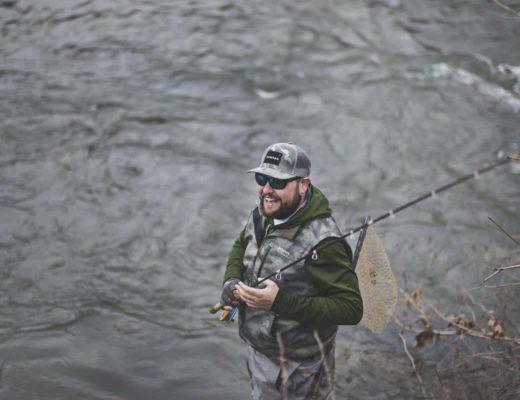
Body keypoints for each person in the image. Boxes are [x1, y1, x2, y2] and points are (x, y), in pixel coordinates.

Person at [221, 142, 363, 400]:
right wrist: (231, 280)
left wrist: (279, 302)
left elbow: (351, 308)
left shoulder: (325, 243)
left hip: (299, 368)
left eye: (277, 182)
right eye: (261, 178)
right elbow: (241, 243)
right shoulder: (265, 210)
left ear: (303, 184)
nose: (266, 189)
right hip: (261, 350)